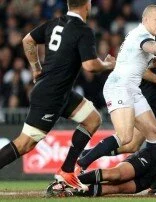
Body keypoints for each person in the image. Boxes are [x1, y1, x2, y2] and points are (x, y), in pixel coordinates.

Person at [0, 0, 115, 191]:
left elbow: (28, 40)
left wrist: (36, 69)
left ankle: (67, 171)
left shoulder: (54, 23)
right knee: (25, 143)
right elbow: (90, 66)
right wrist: (108, 64)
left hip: (61, 92)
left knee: (93, 119)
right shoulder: (83, 30)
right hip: (50, 95)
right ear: (87, 4)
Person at [76, 5, 156, 176]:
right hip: (118, 87)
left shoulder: (146, 37)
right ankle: (80, 164)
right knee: (125, 138)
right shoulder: (142, 36)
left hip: (132, 89)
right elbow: (155, 48)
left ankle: (154, 183)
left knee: (154, 133)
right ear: (145, 20)